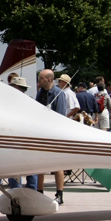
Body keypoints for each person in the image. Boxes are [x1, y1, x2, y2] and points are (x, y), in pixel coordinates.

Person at [36, 69, 66, 204]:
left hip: (54, 134)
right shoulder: (40, 92)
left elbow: (60, 115)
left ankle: (59, 194)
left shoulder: (59, 94)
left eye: (40, 78)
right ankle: (39, 192)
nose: (38, 80)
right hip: (41, 132)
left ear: (48, 79)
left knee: (58, 164)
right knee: (39, 165)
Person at [7, 77, 37, 190]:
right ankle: (30, 192)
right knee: (31, 168)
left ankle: (16, 190)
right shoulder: (31, 101)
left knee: (14, 167)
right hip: (29, 138)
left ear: (16, 87)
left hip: (15, 138)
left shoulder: (10, 103)